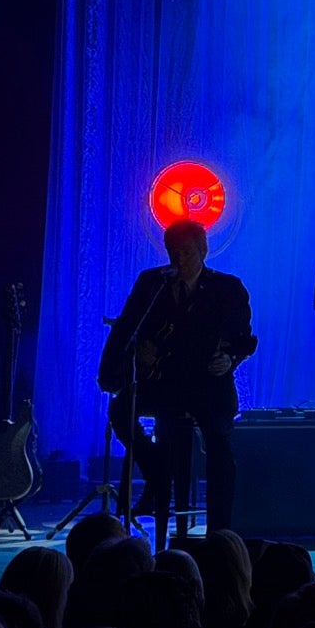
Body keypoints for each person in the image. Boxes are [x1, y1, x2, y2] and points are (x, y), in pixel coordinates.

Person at [97, 218, 255, 533]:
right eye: (173, 253)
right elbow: (128, 325)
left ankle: (220, 529)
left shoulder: (227, 287)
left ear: (203, 251)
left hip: (208, 385)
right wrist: (134, 354)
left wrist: (230, 359)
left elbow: (244, 339)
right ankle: (157, 471)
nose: (179, 260)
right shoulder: (151, 282)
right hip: (163, 382)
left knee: (219, 443)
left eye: (186, 253)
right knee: (120, 408)